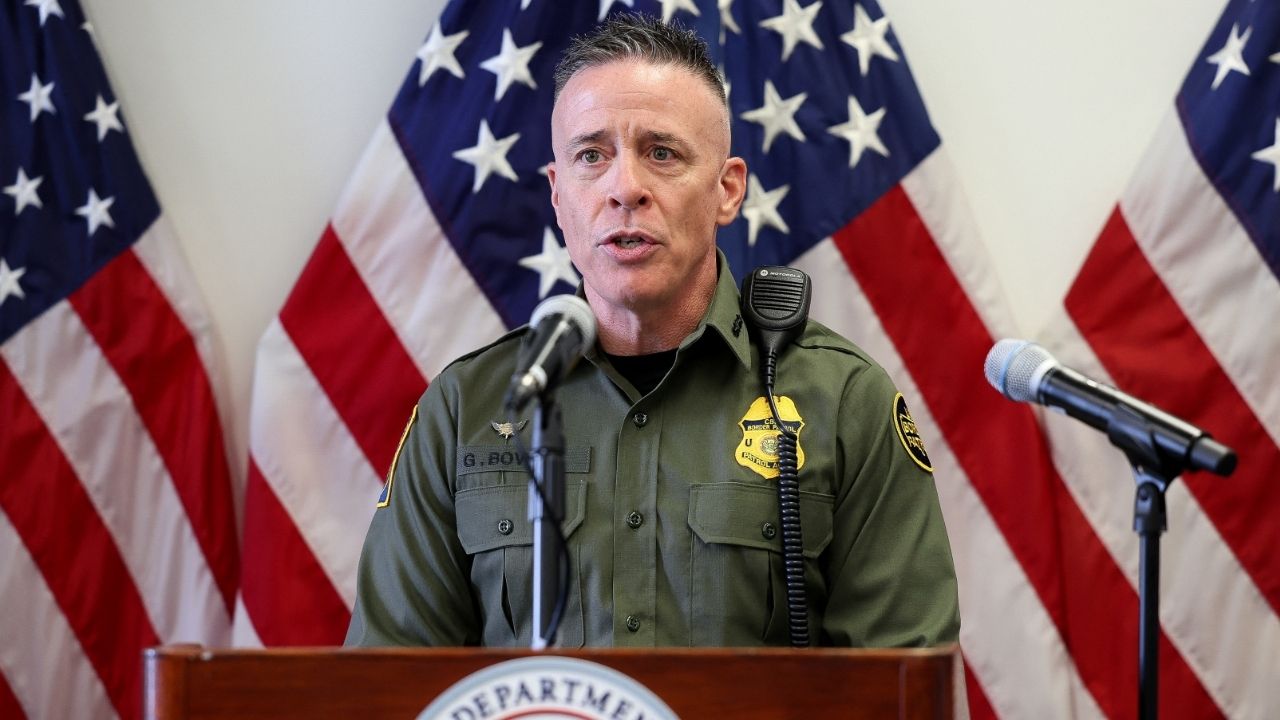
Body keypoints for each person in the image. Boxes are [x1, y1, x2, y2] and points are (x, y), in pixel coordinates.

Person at [345, 14, 959, 648]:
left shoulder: (843, 403)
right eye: (591, 156)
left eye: (661, 153)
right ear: (558, 196)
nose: (625, 189)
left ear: (727, 190)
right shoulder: (464, 410)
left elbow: (905, 691)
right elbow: (391, 691)